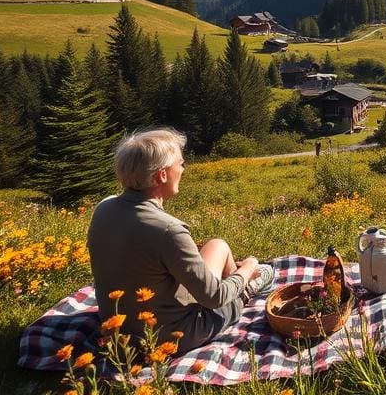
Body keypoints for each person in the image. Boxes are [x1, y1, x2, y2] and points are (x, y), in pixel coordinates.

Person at [87, 128, 274, 352]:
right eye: (181, 164)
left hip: (115, 330)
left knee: (218, 245)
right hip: (164, 336)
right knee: (228, 294)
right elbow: (214, 298)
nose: (183, 170)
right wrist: (248, 267)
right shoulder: (168, 230)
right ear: (162, 175)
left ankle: (238, 281)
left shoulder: (104, 208)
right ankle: (246, 290)